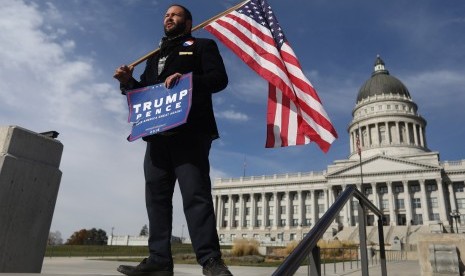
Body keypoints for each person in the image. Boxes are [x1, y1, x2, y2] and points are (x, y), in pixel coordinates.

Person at [113, 4, 232, 276]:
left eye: (175, 14)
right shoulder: (154, 58)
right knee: (156, 198)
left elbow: (219, 79)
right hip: (156, 136)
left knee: (195, 195)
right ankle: (159, 261)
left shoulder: (202, 46)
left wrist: (188, 79)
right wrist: (128, 82)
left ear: (188, 23)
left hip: (190, 131)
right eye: (166, 15)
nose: (169, 18)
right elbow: (144, 92)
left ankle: (211, 260)